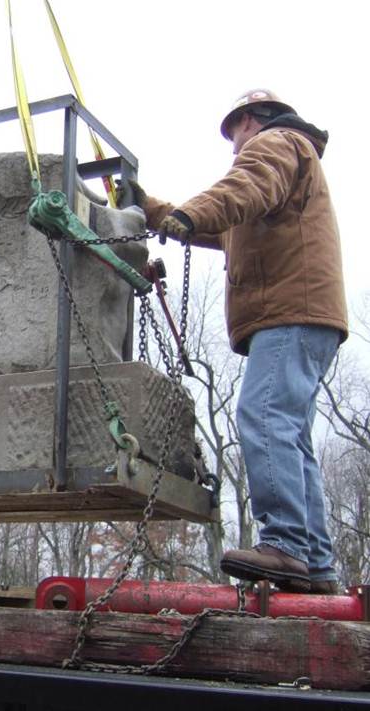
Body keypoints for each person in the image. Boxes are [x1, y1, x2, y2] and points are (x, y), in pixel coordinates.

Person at [118, 89, 348, 594]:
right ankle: (314, 562)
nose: (235, 149)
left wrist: (196, 211)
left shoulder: (277, 144)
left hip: (290, 312)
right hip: (308, 315)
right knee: (291, 433)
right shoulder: (288, 170)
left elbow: (244, 185)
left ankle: (285, 543)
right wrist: (156, 211)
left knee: (263, 416)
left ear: (250, 120)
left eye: (234, 135)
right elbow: (227, 228)